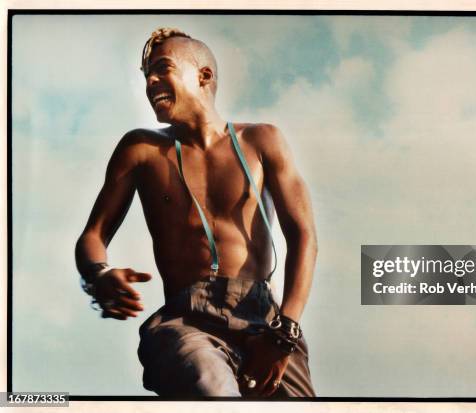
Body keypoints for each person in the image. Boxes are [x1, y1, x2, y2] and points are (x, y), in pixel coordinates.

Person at [74, 27, 317, 398]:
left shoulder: (261, 140)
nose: (151, 81)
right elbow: (93, 235)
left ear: (203, 76)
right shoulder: (141, 149)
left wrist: (285, 332)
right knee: (212, 390)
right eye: (146, 76)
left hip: (265, 318)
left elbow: (303, 237)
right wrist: (99, 273)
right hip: (187, 320)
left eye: (162, 68)